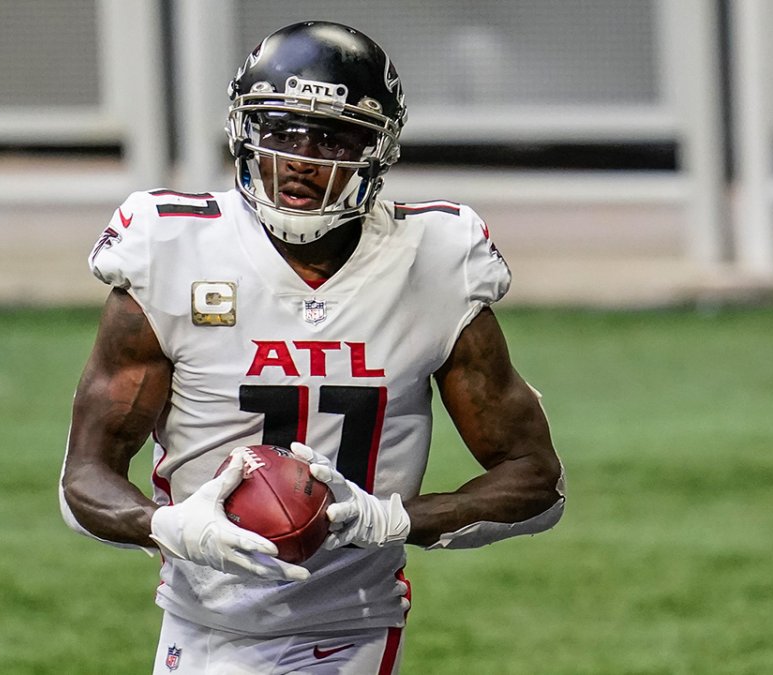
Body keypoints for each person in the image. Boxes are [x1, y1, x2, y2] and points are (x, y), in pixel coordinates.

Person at [60, 21, 565, 674]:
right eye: (282, 131)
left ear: (375, 150)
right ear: (246, 132)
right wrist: (170, 526)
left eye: (331, 136)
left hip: (350, 623)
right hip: (197, 624)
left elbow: (536, 482)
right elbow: (83, 478)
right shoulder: (171, 250)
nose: (301, 156)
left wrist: (391, 519)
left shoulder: (435, 261)